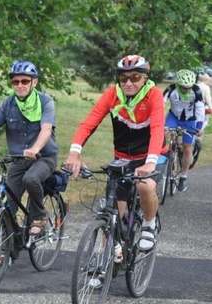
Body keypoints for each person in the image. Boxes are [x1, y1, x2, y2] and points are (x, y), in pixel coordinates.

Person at [65, 54, 166, 253]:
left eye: (135, 77)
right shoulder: (112, 94)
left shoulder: (153, 94)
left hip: (151, 155)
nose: (128, 83)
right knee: (111, 215)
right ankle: (107, 262)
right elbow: (89, 123)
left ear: (145, 78)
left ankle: (149, 225)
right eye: (123, 78)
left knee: (144, 186)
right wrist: (74, 154)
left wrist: (150, 163)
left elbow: (157, 128)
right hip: (123, 157)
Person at [0, 61, 58, 263]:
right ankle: (6, 249)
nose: (20, 85)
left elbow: (46, 129)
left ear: (34, 82)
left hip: (44, 157)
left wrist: (35, 149)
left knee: (31, 179)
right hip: (17, 160)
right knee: (7, 205)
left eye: (25, 81)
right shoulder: (8, 104)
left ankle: (39, 216)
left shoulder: (45, 102)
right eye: (15, 81)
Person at [162, 69, 205, 192]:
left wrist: (199, 127)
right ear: (178, 85)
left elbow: (200, 110)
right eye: (184, 87)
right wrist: (158, 122)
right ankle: (164, 155)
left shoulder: (196, 91)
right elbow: (161, 104)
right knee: (163, 133)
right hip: (173, 117)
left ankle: (183, 176)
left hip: (190, 120)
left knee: (187, 148)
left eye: (189, 87)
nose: (187, 90)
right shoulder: (171, 89)